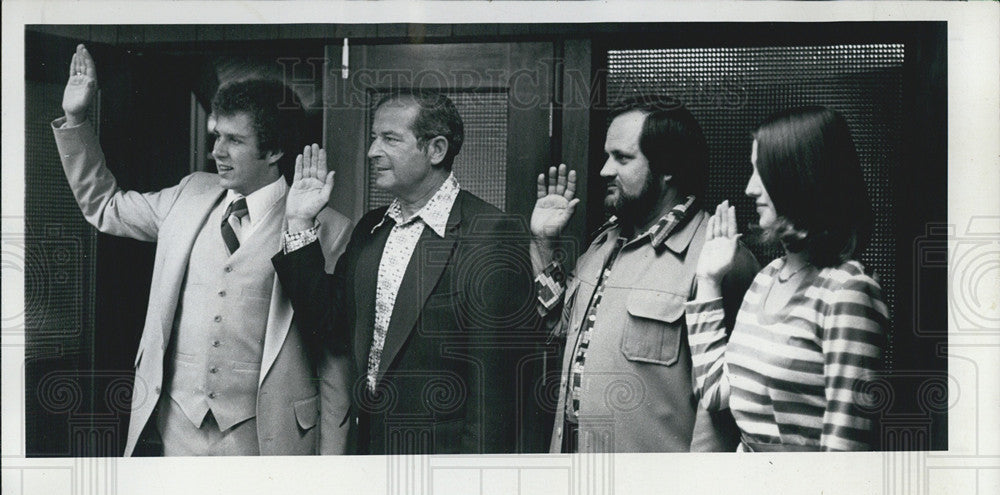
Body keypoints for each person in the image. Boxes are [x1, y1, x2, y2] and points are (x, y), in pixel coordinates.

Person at [53, 44, 352, 456]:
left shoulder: (331, 229)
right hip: (177, 424)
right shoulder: (189, 194)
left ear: (275, 151)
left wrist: (333, 462)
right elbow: (105, 206)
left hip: (269, 436)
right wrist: (75, 119)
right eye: (216, 137)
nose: (217, 152)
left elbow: (334, 358)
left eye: (234, 140)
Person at [271, 91, 535, 455]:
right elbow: (330, 324)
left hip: (442, 469)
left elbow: (497, 393)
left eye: (390, 139)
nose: (372, 152)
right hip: (368, 456)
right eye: (373, 138)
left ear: (436, 150)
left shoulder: (491, 235)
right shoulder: (370, 229)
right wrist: (300, 221)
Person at [530, 95, 759, 453]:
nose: (605, 170)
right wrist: (544, 243)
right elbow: (559, 326)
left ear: (666, 166)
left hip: (656, 493)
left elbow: (734, 404)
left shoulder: (721, 257)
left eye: (622, 158)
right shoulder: (603, 244)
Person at [685, 106, 889, 451]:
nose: (750, 188)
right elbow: (716, 393)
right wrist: (708, 280)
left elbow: (846, 453)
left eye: (760, 171)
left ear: (799, 176)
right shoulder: (767, 277)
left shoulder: (848, 292)